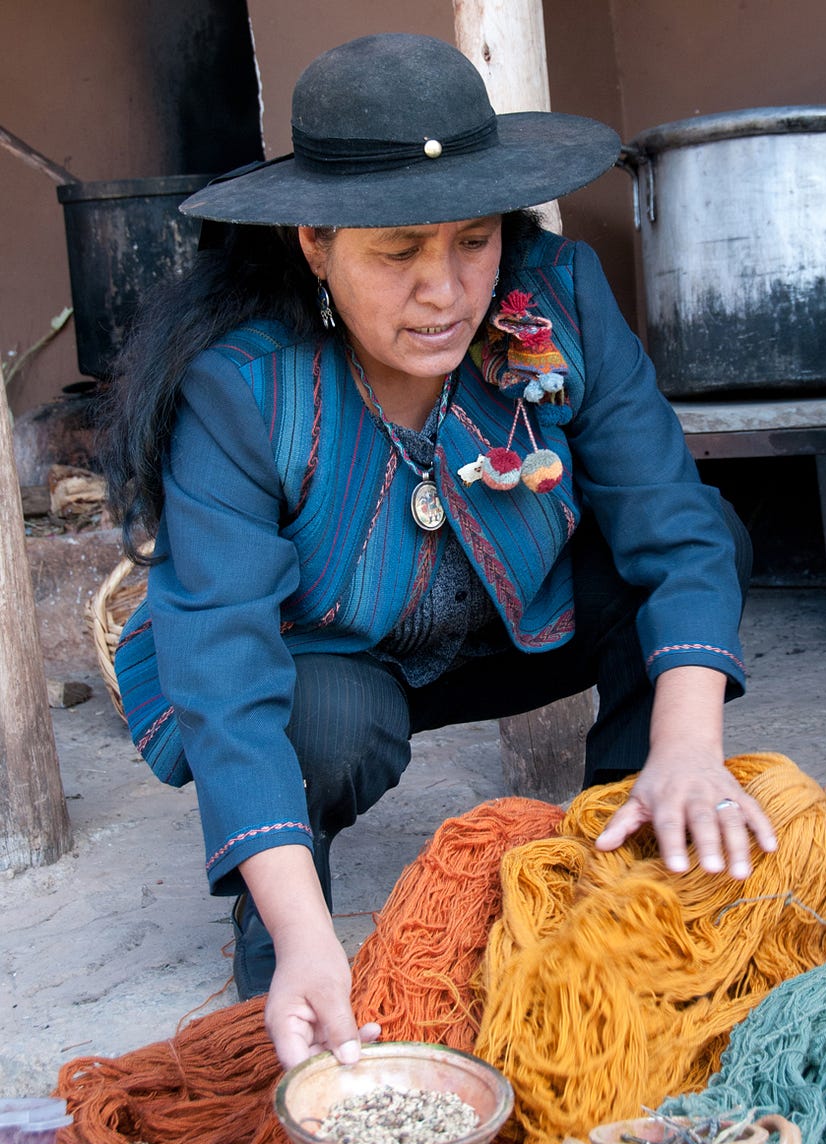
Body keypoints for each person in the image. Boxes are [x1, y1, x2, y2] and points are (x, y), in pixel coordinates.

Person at [102, 31, 776, 1071]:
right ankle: (287, 918)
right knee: (318, 727)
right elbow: (222, 670)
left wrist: (688, 745)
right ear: (315, 243)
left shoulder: (559, 298)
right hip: (334, 662)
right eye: (397, 250)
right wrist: (306, 940)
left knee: (713, 545)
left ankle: (626, 831)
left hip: (519, 620)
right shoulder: (241, 387)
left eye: (472, 239)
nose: (445, 291)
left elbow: (671, 525)